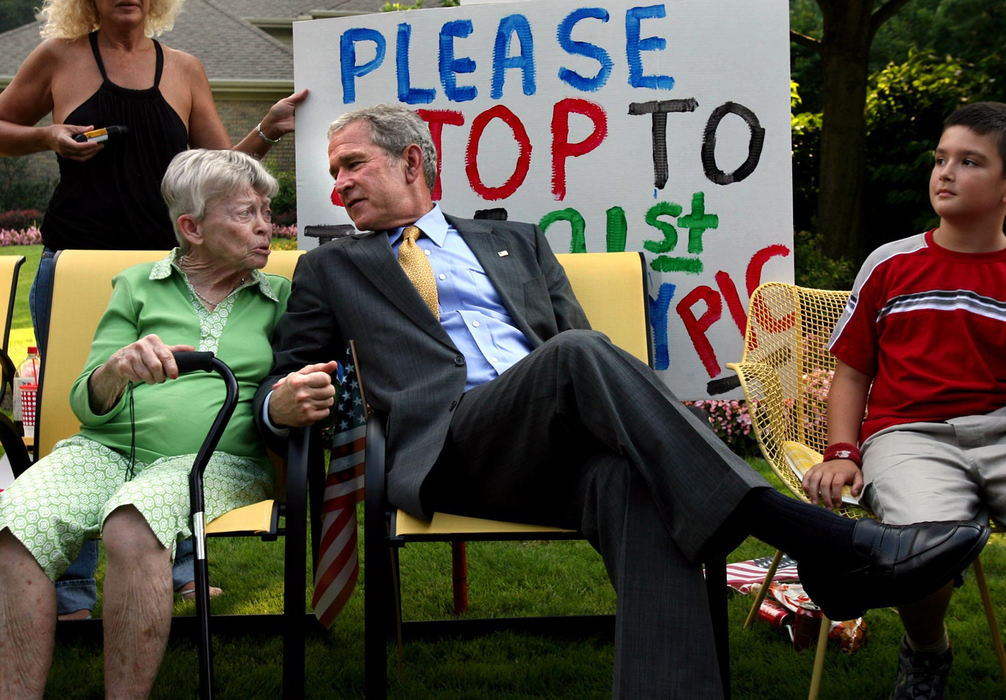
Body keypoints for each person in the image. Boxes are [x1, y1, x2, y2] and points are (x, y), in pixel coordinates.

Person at [255, 104, 989, 697]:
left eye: (353, 164)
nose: (339, 183)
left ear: (411, 160)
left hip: (557, 442)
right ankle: (818, 540)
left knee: (634, 480)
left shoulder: (515, 239)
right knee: (574, 356)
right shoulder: (330, 268)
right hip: (452, 446)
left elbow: (575, 342)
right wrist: (279, 405)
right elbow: (283, 376)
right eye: (335, 172)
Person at [0, 0, 306, 618]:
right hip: (76, 267)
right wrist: (45, 135)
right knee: (82, 415)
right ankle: (69, 585)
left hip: (170, 271)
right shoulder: (59, 57)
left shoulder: (185, 68)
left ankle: (178, 567)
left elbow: (224, 170)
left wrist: (269, 128)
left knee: (184, 395)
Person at [0, 148, 291, 697]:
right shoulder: (137, 285)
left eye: (265, 212)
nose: (263, 227)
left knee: (133, 522)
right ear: (192, 227)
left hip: (217, 460)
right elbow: (88, 401)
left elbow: (290, 388)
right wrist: (117, 368)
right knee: (18, 518)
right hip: (106, 451)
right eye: (244, 213)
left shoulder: (281, 297)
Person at [801, 101, 1006, 700]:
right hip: (909, 436)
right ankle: (926, 652)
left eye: (970, 162)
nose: (945, 172)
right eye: (941, 158)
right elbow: (851, 372)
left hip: (999, 428)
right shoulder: (890, 265)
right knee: (921, 542)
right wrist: (842, 449)